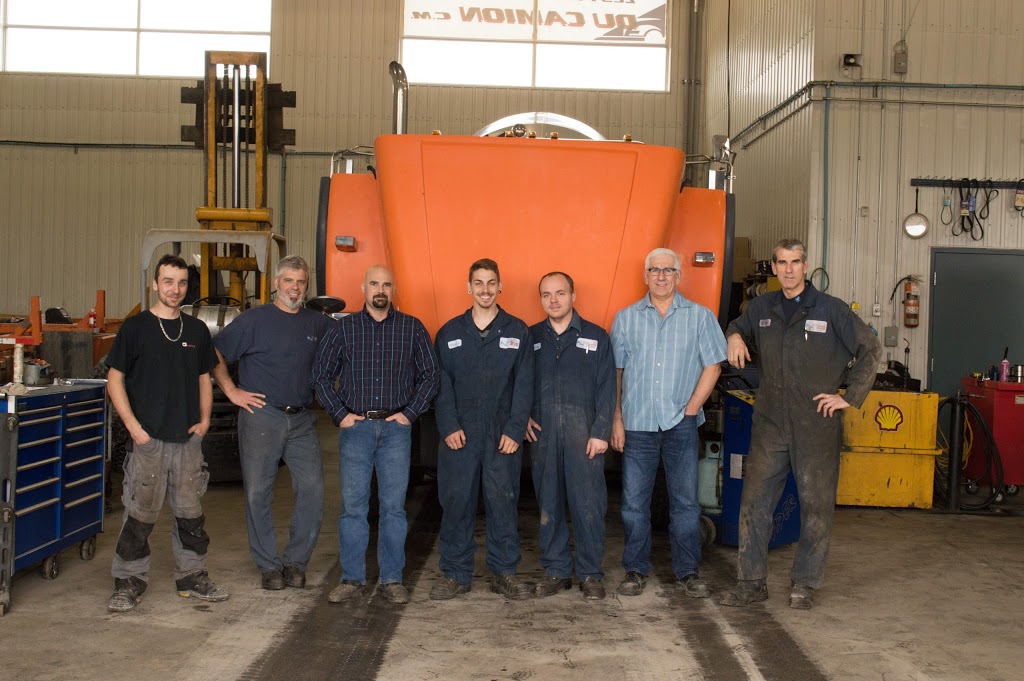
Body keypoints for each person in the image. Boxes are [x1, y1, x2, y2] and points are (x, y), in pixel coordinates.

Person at [719, 238, 881, 610]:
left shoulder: (832, 309)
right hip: (770, 422)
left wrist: (849, 397)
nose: (788, 269)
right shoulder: (761, 307)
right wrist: (734, 337)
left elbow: (870, 348)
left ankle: (804, 584)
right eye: (782, 263)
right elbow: (736, 324)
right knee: (754, 503)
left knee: (816, 506)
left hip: (816, 422)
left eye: (795, 262)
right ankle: (751, 582)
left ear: (805, 266)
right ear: (774, 268)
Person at [105, 254, 228, 612]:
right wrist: (134, 428)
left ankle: (192, 577)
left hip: (187, 441)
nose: (175, 289)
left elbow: (204, 377)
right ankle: (129, 580)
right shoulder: (135, 328)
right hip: (148, 442)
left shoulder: (196, 330)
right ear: (155, 284)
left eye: (182, 283)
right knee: (139, 513)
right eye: (168, 282)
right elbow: (114, 379)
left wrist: (204, 421)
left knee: (191, 513)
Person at [312, 265, 440, 604]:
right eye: (374, 284)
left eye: (386, 284)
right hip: (357, 430)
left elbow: (431, 376)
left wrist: (410, 414)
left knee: (393, 509)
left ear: (393, 289)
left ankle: (391, 579)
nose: (380, 290)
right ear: (363, 288)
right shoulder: (344, 329)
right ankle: (351, 578)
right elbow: (320, 375)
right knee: (354, 508)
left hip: (396, 432)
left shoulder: (412, 328)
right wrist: (340, 415)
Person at [211, 255, 334, 591]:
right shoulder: (254, 320)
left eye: (301, 282)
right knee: (257, 491)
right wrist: (232, 391)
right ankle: (268, 565)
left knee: (312, 488)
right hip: (262, 415)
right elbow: (214, 352)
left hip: (302, 418)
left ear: (307, 287)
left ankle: (296, 563)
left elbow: (348, 347)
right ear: (276, 283)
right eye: (288, 281)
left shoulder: (318, 324)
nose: (295, 288)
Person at [610, 248, 726, 598]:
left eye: (668, 270)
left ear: (679, 275)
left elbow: (713, 366)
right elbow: (616, 374)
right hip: (637, 424)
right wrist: (616, 419)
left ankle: (688, 571)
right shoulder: (626, 319)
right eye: (654, 270)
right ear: (645, 276)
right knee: (634, 504)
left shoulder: (700, 317)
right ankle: (635, 569)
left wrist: (692, 409)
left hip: (681, 425)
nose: (661, 276)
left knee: (686, 503)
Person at [430, 258, 534, 601]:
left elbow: (525, 386)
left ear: (500, 286)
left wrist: (515, 429)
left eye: (491, 283)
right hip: (459, 434)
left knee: (503, 502)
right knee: (456, 502)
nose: (485, 290)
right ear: (469, 287)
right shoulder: (450, 333)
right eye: (479, 283)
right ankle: (456, 574)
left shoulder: (517, 331)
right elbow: (441, 385)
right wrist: (448, 425)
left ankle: (505, 572)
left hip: (502, 436)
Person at [525, 272, 616, 600]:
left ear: (573, 296)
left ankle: (591, 574)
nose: (554, 300)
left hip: (584, 437)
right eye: (546, 294)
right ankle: (556, 571)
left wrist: (601, 432)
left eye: (560, 293)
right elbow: (518, 382)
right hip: (543, 436)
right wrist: (521, 417)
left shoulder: (596, 336)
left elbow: (607, 387)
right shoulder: (531, 337)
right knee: (548, 503)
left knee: (588, 504)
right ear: (540, 299)